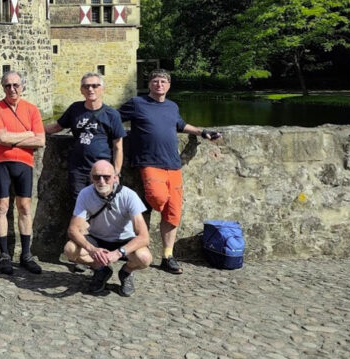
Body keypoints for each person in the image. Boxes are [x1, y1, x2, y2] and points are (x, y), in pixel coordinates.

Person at [119, 69, 222, 274]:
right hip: (149, 162)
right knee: (158, 198)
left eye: (163, 82)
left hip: (173, 165)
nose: (159, 85)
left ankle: (167, 255)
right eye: (155, 81)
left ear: (169, 85)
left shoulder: (171, 106)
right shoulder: (137, 103)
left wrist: (202, 132)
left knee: (173, 212)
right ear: (149, 84)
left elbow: (180, 125)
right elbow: (114, 119)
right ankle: (139, 224)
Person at [62, 160, 153, 296]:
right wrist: (92, 250)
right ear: (91, 178)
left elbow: (144, 237)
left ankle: (126, 272)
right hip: (97, 239)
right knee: (70, 250)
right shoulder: (85, 194)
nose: (102, 181)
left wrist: (118, 253)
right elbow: (73, 229)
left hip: (124, 240)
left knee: (144, 258)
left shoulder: (129, 195)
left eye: (106, 177)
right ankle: (101, 269)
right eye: (97, 177)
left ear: (115, 178)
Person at [0, 70, 46, 275]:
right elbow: (1, 138)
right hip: (1, 162)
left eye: (15, 85)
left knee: (24, 207)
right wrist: (27, 135)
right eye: (7, 85)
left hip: (24, 164)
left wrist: (13, 139)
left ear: (22, 86)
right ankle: (4, 254)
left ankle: (26, 254)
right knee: (1, 207)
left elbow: (40, 140)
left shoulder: (32, 109)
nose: (12, 89)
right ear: (2, 87)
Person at [46, 72, 126, 199]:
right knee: (79, 204)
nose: (90, 89)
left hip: (102, 169)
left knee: (103, 203)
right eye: (86, 86)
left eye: (95, 86)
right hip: (78, 168)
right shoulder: (75, 109)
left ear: (102, 89)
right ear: (81, 90)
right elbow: (57, 127)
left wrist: (116, 173)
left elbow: (118, 147)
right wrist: (34, 129)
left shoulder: (112, 114)